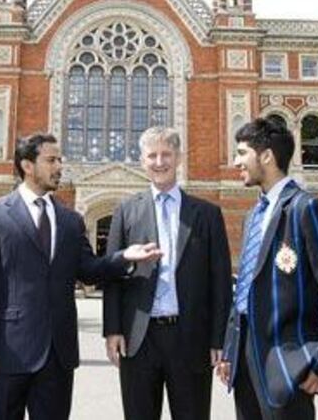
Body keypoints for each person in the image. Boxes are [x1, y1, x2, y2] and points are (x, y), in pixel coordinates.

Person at [0, 132, 162, 420]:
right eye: (51, 160)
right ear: (27, 166)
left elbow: (88, 270)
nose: (59, 167)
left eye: (60, 160)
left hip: (59, 355)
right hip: (8, 352)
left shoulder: (71, 220)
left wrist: (124, 258)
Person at [217, 117, 318, 420]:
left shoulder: (307, 208)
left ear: (266, 156)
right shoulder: (253, 214)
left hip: (287, 362)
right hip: (245, 360)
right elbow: (245, 288)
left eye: (242, 153)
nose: (236, 161)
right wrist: (229, 349)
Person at [103, 126, 232, 420]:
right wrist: (113, 330)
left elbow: (220, 282)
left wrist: (219, 339)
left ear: (179, 158)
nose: (159, 162)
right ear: (142, 161)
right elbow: (113, 275)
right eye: (152, 156)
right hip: (140, 339)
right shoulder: (126, 211)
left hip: (190, 338)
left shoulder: (207, 214)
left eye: (166, 155)